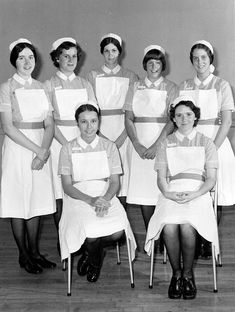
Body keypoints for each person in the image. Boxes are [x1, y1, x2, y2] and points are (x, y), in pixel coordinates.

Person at [145, 95, 219, 300]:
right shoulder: (166, 143)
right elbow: (161, 178)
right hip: (171, 191)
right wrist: (168, 193)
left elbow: (211, 179)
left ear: (195, 117)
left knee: (187, 225)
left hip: (199, 192)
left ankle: (188, 275)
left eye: (188, 114)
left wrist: (195, 194)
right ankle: (176, 274)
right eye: (179, 115)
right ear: (174, 120)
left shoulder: (207, 142)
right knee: (169, 225)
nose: (184, 119)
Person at [58, 102, 136, 282]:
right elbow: (67, 186)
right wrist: (91, 200)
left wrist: (104, 200)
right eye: (83, 122)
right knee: (91, 231)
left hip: (106, 193)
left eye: (93, 121)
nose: (89, 126)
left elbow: (115, 181)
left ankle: (91, 252)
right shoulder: (67, 148)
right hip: (79, 196)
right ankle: (95, 261)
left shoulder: (109, 146)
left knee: (117, 231)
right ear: (77, 123)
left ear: (99, 122)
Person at [0, 38, 56, 274]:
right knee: (19, 201)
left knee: (36, 201)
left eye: (30, 57)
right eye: (21, 57)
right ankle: (24, 255)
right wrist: (37, 151)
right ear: (14, 61)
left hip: (40, 147)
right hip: (18, 148)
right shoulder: (6, 88)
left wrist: (43, 152)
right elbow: (8, 127)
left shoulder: (43, 87)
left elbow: (49, 123)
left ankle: (35, 252)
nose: (27, 62)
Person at [179, 40, 235, 256]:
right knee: (195, 191)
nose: (200, 61)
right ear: (192, 61)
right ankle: (197, 236)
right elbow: (180, 119)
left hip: (217, 144)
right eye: (196, 58)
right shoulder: (185, 86)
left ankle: (207, 239)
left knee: (215, 194)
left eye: (204, 57)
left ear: (210, 58)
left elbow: (227, 121)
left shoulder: (222, 85)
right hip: (191, 146)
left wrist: (211, 148)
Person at [44, 37, 97, 251]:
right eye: (66, 56)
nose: (70, 60)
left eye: (74, 56)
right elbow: (49, 121)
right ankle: (63, 240)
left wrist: (82, 142)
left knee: (82, 187)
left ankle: (84, 239)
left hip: (82, 140)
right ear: (57, 58)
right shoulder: (48, 85)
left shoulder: (85, 84)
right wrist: (67, 144)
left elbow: (92, 116)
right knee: (61, 192)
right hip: (59, 142)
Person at [124, 45, 178, 230]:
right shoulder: (134, 86)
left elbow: (172, 121)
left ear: (163, 65)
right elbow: (129, 118)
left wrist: (157, 145)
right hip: (139, 144)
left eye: (157, 63)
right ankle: (150, 233)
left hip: (161, 143)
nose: (154, 67)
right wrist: (137, 144)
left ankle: (162, 233)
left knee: (159, 188)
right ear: (144, 65)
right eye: (150, 62)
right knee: (142, 190)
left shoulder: (171, 87)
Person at [87, 33, 138, 209]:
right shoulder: (93, 76)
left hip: (124, 130)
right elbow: (91, 109)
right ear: (102, 52)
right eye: (107, 51)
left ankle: (122, 225)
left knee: (123, 178)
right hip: (100, 130)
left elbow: (133, 111)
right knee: (104, 175)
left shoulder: (131, 76)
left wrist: (124, 136)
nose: (110, 55)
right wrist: (99, 134)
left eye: (114, 50)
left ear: (120, 52)